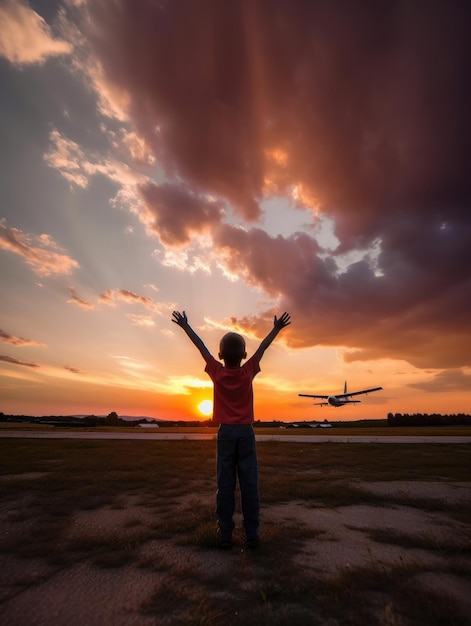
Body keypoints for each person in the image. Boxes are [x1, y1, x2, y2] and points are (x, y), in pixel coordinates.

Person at [171, 309, 291, 549]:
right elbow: (263, 349)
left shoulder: (217, 371)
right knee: (249, 485)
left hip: (225, 433)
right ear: (245, 355)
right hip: (246, 433)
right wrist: (276, 329)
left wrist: (185, 326)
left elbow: (201, 347)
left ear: (220, 355)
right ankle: (253, 535)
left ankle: (225, 535)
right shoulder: (248, 371)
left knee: (224, 485)